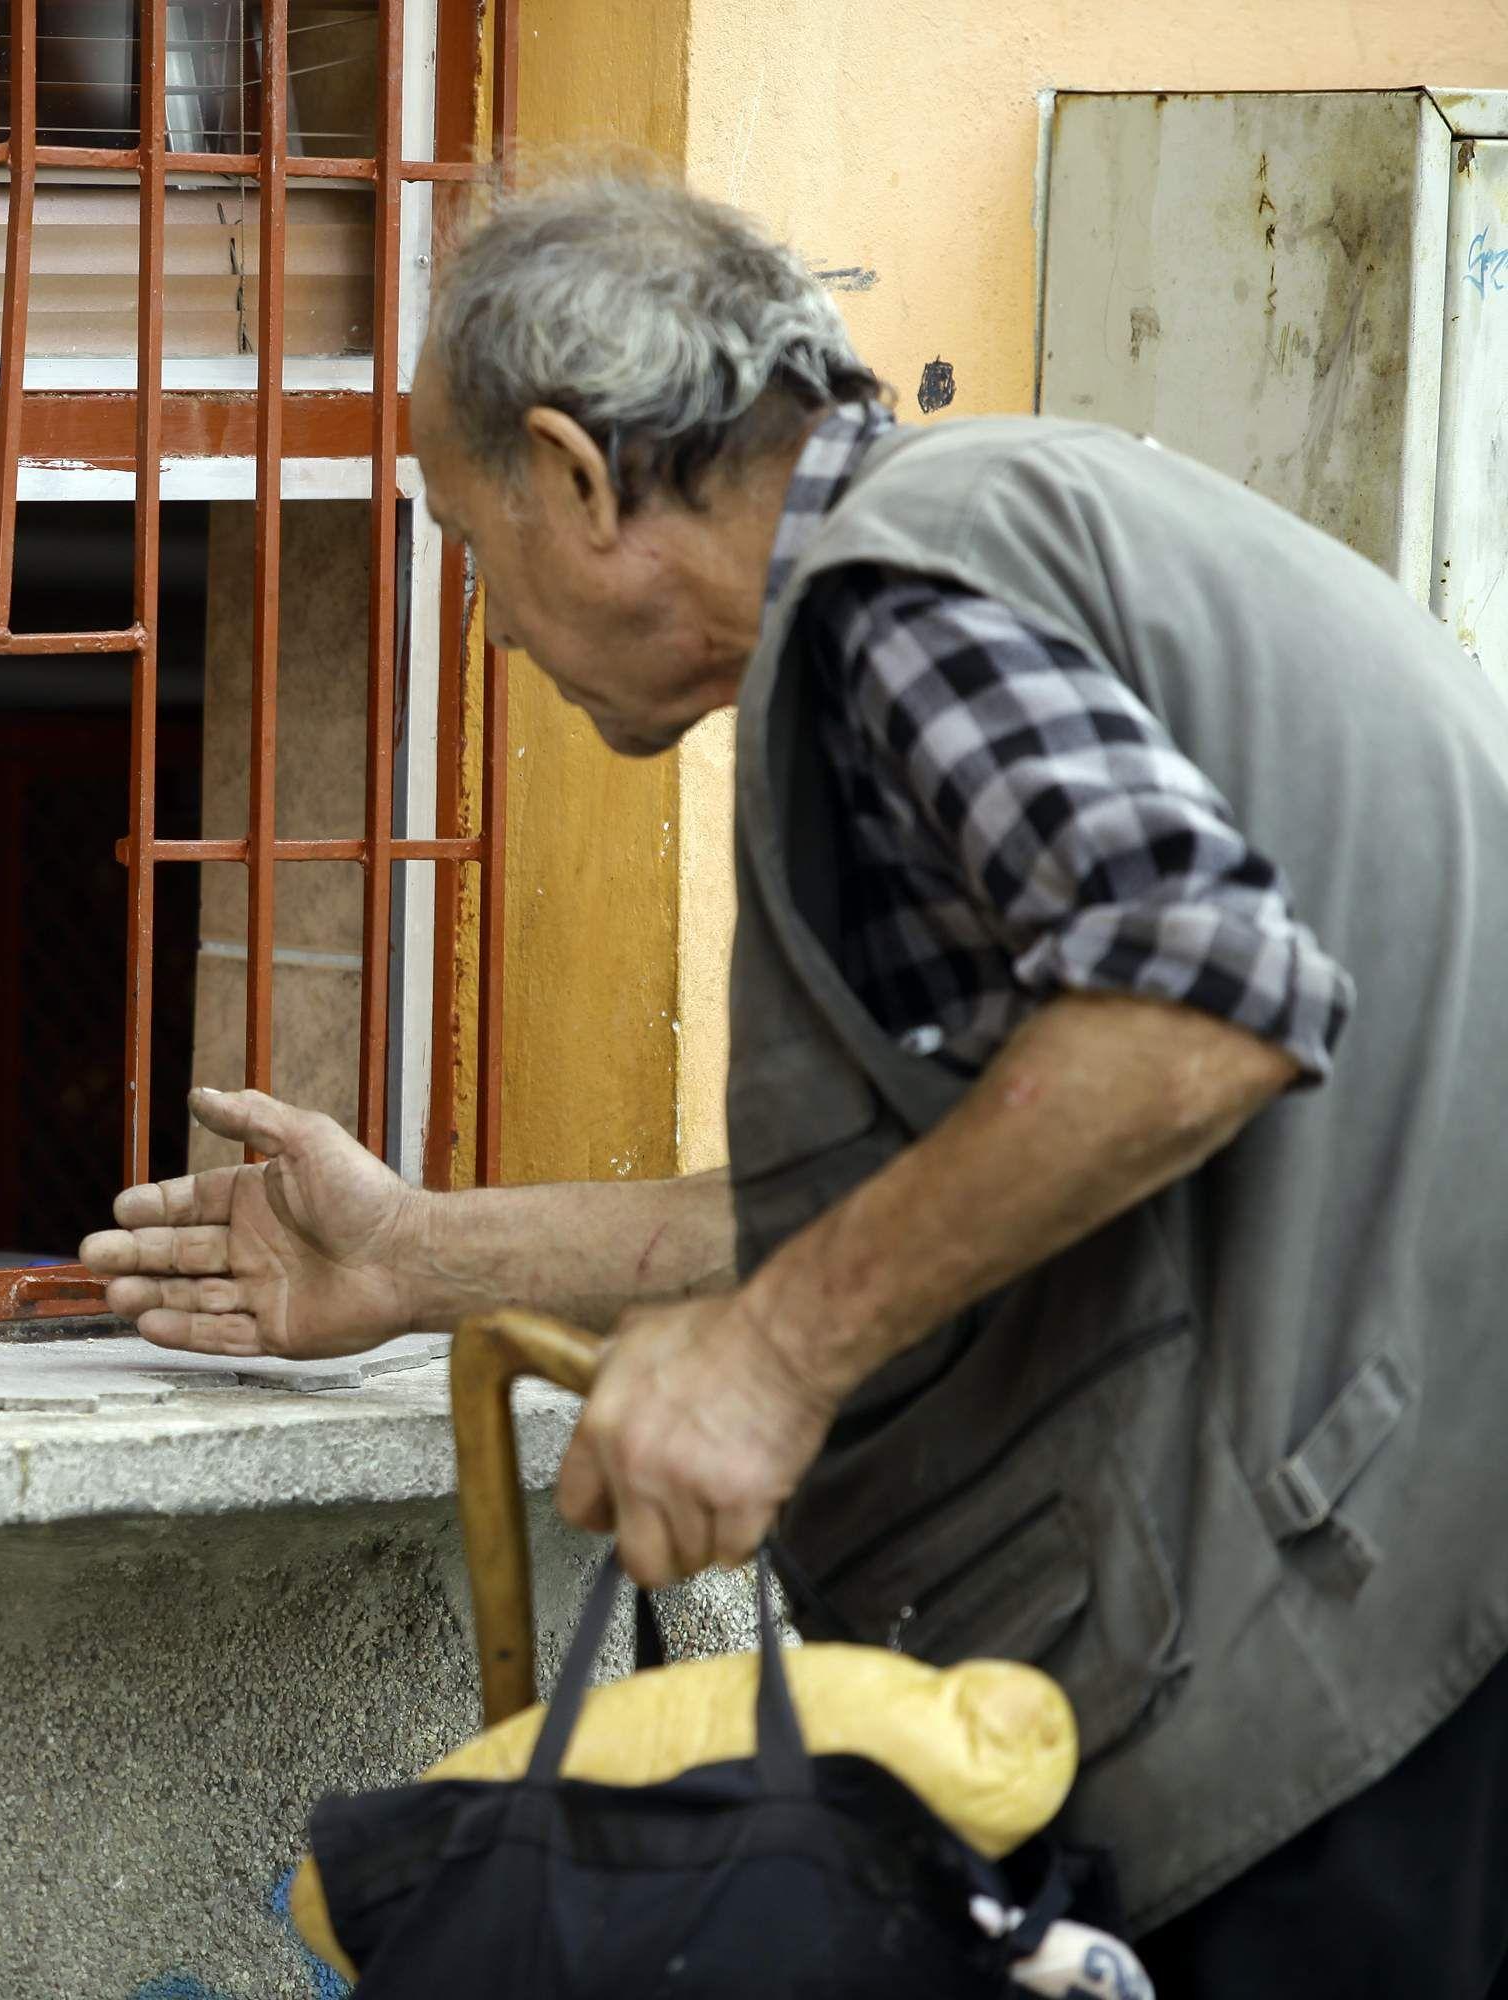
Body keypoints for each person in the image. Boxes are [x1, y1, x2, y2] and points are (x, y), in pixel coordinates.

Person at [83, 171, 1508, 1993]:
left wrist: (769, 1359)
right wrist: (418, 1258)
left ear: (579, 479)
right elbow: (965, 1165)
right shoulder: (1005, 531)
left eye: (466, 538)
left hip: (1372, 1664)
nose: (492, 631)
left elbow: (1195, 1005)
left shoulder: (902, 582)